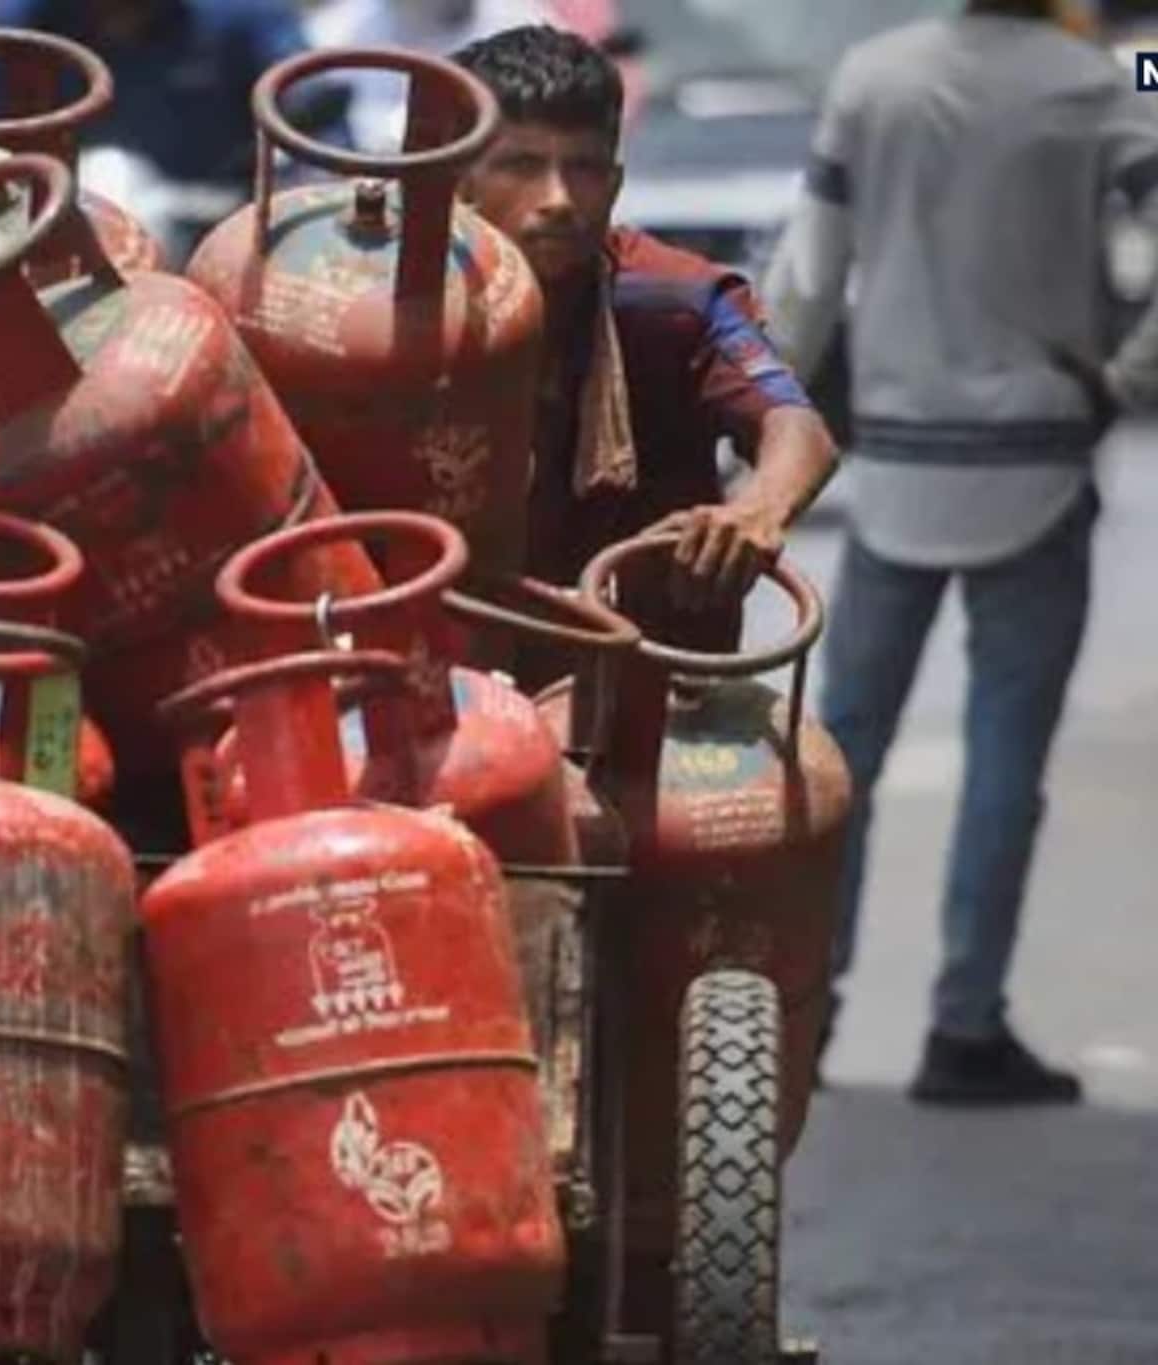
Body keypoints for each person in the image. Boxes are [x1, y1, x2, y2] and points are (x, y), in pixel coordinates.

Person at [760, 0, 1158, 1106]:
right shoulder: (1099, 82)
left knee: (842, 756)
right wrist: (1127, 379)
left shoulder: (869, 78)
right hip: (1034, 460)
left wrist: (764, 422)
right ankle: (963, 1022)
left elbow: (805, 270)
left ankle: (807, 1012)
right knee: (1002, 761)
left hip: (891, 459)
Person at [449, 25, 837, 668]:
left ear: (617, 182)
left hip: (649, 680)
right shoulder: (386, 310)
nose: (558, 200)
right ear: (457, 182)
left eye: (585, 169)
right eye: (521, 166)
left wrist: (757, 511)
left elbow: (796, 427)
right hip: (454, 682)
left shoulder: (676, 298)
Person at [0, 0, 335, 186]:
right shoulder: (11, 22)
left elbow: (315, 117)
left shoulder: (244, 14)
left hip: (212, 252)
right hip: (41, 252)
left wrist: (312, 177)